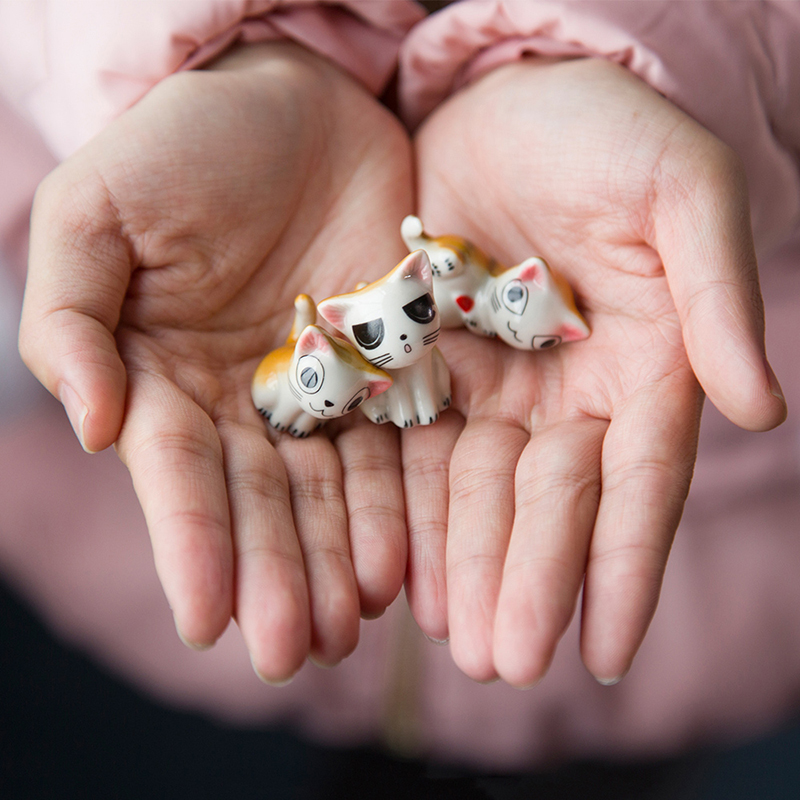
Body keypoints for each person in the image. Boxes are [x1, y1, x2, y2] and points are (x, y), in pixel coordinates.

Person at [1, 0, 798, 770]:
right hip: (144, 577)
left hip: (714, 606)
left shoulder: (443, 327)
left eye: (417, 317)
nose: (412, 334)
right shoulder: (345, 345)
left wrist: (689, 65)